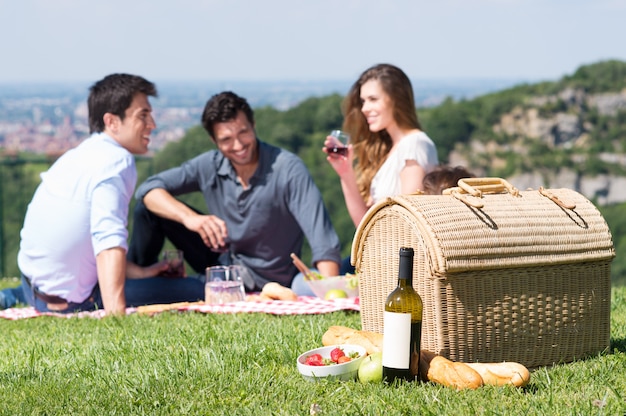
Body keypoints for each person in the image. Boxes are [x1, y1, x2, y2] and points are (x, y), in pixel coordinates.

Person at [10, 73, 207, 314]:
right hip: (72, 301)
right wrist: (116, 315)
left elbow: (85, 243)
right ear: (112, 122)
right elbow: (108, 239)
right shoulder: (117, 162)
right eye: (142, 116)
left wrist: (143, 274)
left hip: (34, 291)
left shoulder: (80, 154)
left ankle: (11, 296)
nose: (152, 125)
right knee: (202, 287)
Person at [127, 91, 341, 295]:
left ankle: (144, 289)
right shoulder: (210, 165)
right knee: (148, 209)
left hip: (279, 280)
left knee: (313, 287)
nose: (238, 145)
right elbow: (148, 190)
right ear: (214, 140)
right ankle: (138, 277)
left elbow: (323, 242)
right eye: (226, 139)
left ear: (254, 126)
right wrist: (192, 219)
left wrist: (330, 296)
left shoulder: (287, 169)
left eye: (243, 132)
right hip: (225, 270)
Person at [325, 63, 439, 229]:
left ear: (396, 99)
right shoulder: (393, 150)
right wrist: (345, 172)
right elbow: (364, 227)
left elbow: (408, 224)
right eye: (363, 101)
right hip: (382, 251)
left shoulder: (414, 145)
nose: (364, 108)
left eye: (373, 99)